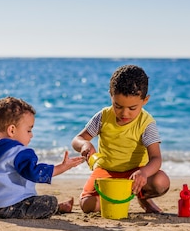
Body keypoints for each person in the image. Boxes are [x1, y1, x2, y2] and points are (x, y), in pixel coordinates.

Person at [72, 65, 170, 214]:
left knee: (161, 182)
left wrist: (143, 173)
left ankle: (143, 197)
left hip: (135, 175)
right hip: (106, 172)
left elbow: (156, 158)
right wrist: (84, 144)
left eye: (132, 108)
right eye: (117, 106)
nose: (124, 113)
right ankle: (115, 197)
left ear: (145, 100)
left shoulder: (146, 123)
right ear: (111, 95)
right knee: (87, 205)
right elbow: (77, 139)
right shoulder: (103, 116)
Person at [0, 96, 84, 219]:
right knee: (50, 201)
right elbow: (35, 173)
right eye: (28, 130)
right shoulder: (18, 151)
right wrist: (63, 167)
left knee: (37, 202)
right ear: (12, 130)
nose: (31, 135)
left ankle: (57, 207)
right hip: (13, 206)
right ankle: (57, 207)